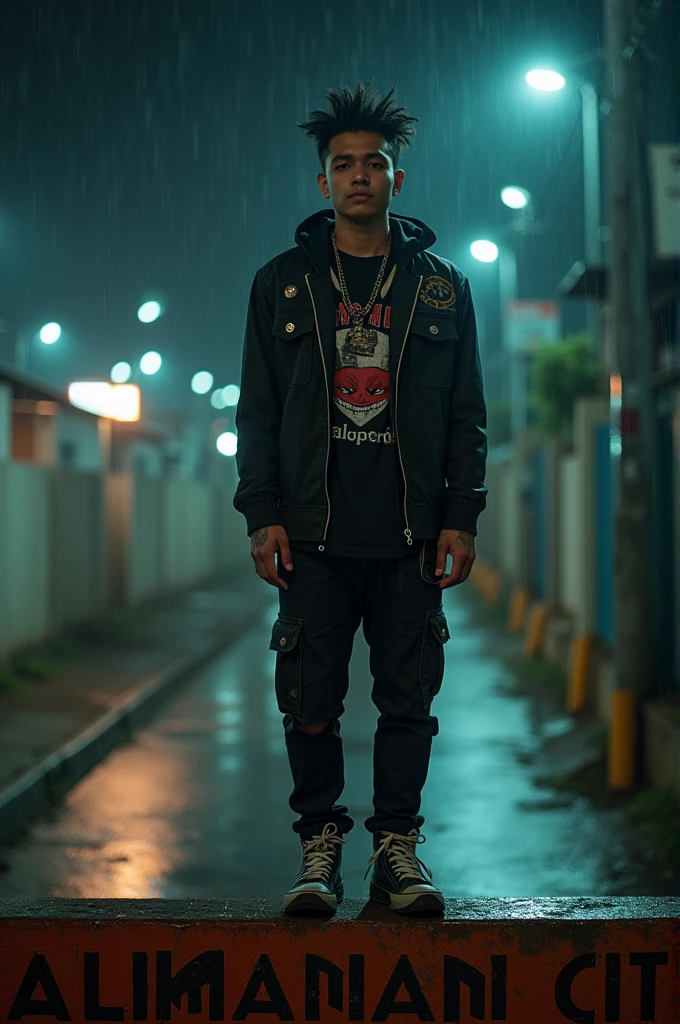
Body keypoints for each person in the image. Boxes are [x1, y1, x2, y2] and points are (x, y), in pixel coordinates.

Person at [233, 81, 487, 916]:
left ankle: (397, 850)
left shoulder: (443, 285)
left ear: (396, 179)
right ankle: (320, 848)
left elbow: (466, 413)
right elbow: (258, 410)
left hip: (411, 535)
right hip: (313, 535)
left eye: (373, 163)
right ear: (323, 182)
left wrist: (462, 514)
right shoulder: (283, 285)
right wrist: (260, 510)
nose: (359, 177)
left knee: (408, 703)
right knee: (309, 700)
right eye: (343, 165)